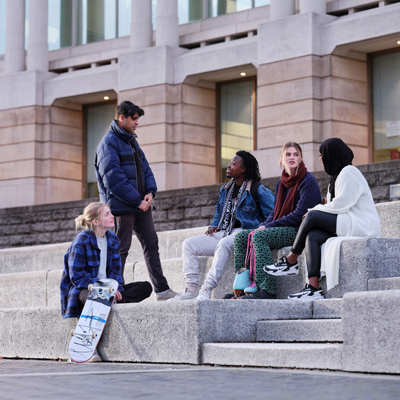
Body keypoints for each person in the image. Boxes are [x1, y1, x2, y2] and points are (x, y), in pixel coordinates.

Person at [265, 138, 381, 300]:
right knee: (312, 236)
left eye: (322, 154)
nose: (320, 158)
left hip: (362, 224)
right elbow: (336, 205)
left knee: (311, 216)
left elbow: (342, 204)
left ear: (331, 154)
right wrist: (321, 208)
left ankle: (291, 260)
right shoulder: (337, 177)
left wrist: (316, 210)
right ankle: (313, 287)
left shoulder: (349, 172)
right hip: (348, 221)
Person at [95, 101, 177, 301]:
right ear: (121, 117)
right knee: (120, 249)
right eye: (134, 118)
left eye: (138, 118)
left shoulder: (131, 141)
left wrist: (150, 192)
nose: (137, 122)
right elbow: (113, 180)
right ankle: (116, 292)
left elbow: (145, 168)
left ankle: (162, 290)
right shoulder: (108, 143)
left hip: (141, 205)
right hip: (122, 207)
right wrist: (136, 201)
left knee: (151, 243)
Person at [169, 151, 275, 301]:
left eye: (233, 163)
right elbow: (219, 213)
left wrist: (260, 230)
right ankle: (191, 290)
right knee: (189, 244)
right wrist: (214, 225)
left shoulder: (259, 190)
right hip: (225, 230)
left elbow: (273, 215)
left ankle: (207, 288)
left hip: (245, 232)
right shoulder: (226, 189)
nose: (229, 166)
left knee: (224, 244)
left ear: (243, 169)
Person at [60, 202, 152, 362]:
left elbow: (116, 272)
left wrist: (116, 290)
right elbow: (77, 277)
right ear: (95, 221)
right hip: (83, 290)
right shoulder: (81, 241)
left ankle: (115, 300)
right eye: (107, 214)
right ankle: (87, 346)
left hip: (108, 291)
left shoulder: (113, 240)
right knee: (96, 296)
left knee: (145, 287)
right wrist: (103, 289)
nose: (112, 217)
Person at [233, 142, 321, 300]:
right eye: (288, 154)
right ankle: (243, 286)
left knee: (260, 237)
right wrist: (263, 225)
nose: (292, 157)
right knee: (241, 237)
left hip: (298, 230)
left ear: (301, 158)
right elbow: (275, 212)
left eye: (295, 154)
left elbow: (299, 214)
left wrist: (267, 227)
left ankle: (266, 290)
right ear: (281, 159)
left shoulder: (308, 180)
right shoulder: (281, 183)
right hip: (282, 227)